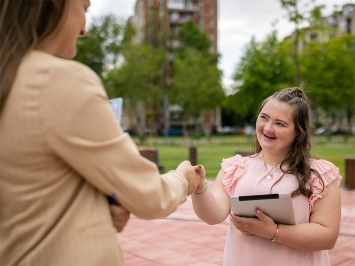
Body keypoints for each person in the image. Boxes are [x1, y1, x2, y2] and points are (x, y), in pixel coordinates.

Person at [0, 1, 205, 265]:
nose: (84, 30)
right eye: (84, 9)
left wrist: (97, 207)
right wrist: (184, 178)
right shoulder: (59, 80)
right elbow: (150, 196)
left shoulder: (10, 78)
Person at [192, 87, 342, 266]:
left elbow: (327, 236)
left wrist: (274, 231)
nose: (268, 128)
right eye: (264, 117)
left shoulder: (319, 173)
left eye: (280, 123)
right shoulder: (234, 168)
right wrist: (199, 188)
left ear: (298, 133)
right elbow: (213, 215)